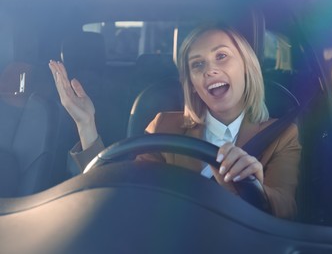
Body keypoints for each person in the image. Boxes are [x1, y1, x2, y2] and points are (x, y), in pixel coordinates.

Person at [48, 23, 301, 219]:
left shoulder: (281, 136)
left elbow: (287, 209)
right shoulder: (164, 127)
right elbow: (121, 192)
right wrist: (85, 123)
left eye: (221, 56)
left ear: (246, 66)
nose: (209, 70)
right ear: (192, 82)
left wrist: (252, 187)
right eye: (197, 64)